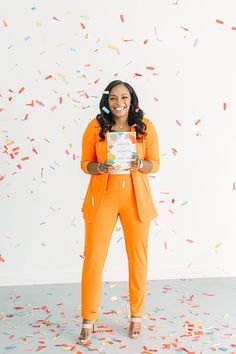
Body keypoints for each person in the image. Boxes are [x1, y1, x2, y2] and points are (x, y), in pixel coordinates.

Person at [78, 80, 160, 345]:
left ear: (131, 99)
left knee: (138, 259)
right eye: (113, 97)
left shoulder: (145, 127)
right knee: (94, 259)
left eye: (124, 97)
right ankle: (88, 319)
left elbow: (155, 163)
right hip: (103, 199)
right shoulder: (95, 126)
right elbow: (85, 163)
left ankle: (136, 316)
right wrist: (99, 167)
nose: (118, 102)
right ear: (107, 100)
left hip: (136, 200)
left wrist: (142, 164)